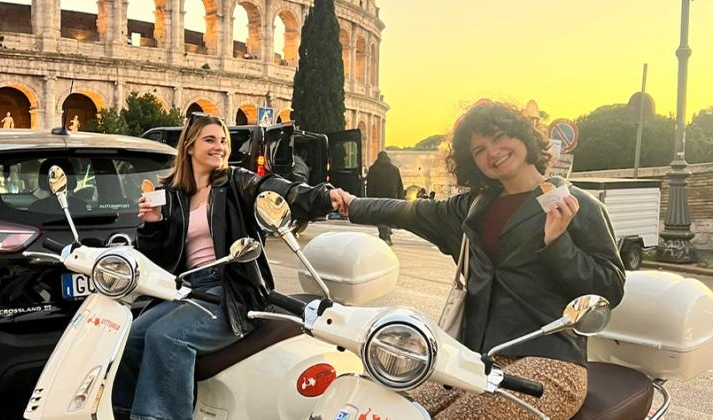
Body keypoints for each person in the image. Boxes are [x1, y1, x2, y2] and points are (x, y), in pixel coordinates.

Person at [330, 101, 625, 420]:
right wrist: (353, 204)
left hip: (551, 362)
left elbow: (608, 288)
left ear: (523, 136)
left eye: (499, 137)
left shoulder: (576, 204)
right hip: (474, 360)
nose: (493, 152)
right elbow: (407, 212)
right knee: (387, 409)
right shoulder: (471, 208)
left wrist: (558, 243)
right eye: (479, 150)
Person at [112, 114, 342, 420]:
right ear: (190, 146)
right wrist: (152, 226)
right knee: (129, 337)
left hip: (232, 290)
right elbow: (158, 260)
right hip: (188, 291)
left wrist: (325, 197)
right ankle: (126, 412)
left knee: (167, 337)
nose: (219, 147)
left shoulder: (236, 182)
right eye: (210, 140)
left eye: (223, 141)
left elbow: (277, 190)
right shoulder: (172, 194)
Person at [365, 150, 403, 245]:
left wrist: (369, 199)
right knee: (388, 216)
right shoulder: (395, 169)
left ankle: (384, 235)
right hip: (392, 198)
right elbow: (400, 187)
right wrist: (400, 199)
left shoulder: (373, 169)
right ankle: (386, 234)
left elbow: (370, 186)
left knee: (380, 217)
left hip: (378, 198)